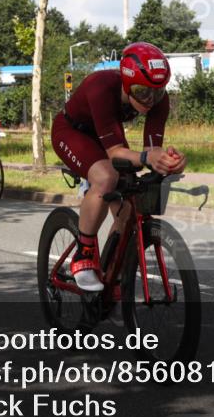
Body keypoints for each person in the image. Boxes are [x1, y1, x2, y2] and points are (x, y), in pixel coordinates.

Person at [51, 41, 186, 291]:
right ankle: (84, 254)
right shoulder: (100, 86)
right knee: (106, 177)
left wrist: (168, 161)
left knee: (127, 205)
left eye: (157, 91)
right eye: (142, 91)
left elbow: (149, 151)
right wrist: (146, 159)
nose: (150, 100)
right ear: (126, 82)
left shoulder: (158, 99)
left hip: (106, 135)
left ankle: (111, 273)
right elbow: (115, 154)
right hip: (72, 132)